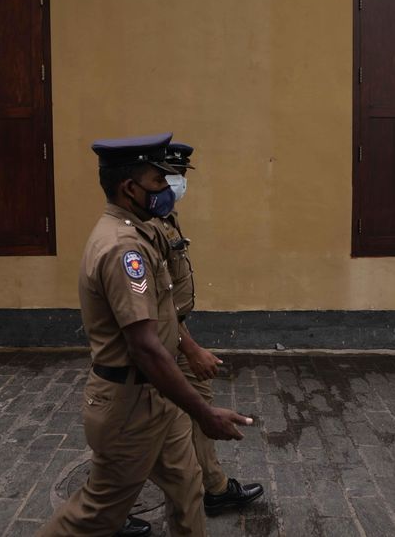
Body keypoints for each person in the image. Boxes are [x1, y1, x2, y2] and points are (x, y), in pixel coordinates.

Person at [38, 133, 253, 537]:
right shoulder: (123, 247)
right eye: (157, 181)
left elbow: (164, 314)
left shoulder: (140, 231)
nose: (166, 189)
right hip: (130, 405)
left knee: (187, 484)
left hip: (156, 395)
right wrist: (204, 414)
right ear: (129, 188)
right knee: (95, 514)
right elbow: (145, 348)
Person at [152, 143, 265, 515]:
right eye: (170, 175)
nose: (178, 183)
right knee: (143, 425)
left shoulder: (167, 216)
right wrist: (190, 348)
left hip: (175, 333)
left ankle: (214, 488)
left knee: (196, 401)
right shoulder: (148, 228)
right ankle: (108, 506)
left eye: (182, 175)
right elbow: (156, 306)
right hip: (160, 339)